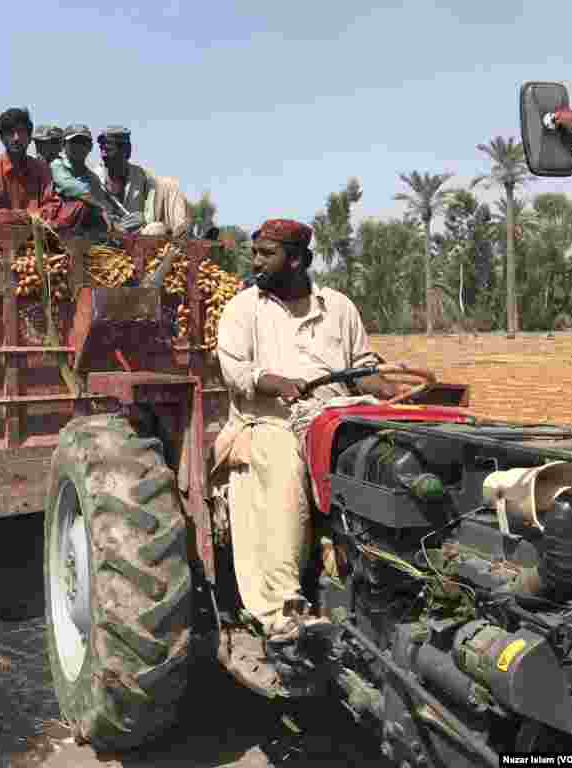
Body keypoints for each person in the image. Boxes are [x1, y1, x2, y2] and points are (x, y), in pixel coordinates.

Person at [214, 219, 399, 685]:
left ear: (296, 259)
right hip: (266, 421)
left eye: (265, 253)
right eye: (254, 252)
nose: (254, 261)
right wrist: (278, 383)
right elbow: (237, 374)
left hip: (335, 414)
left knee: (393, 454)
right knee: (285, 466)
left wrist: (394, 394)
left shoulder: (337, 307)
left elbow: (361, 369)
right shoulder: (242, 310)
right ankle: (283, 610)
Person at [91, 126, 190, 237]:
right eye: (102, 149)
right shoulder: (94, 178)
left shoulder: (141, 176)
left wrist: (144, 218)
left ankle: (181, 236)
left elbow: (154, 209)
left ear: (126, 151)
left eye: (109, 149)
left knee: (156, 228)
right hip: (105, 235)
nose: (104, 155)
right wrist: (112, 224)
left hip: (137, 236)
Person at [43, 124, 114, 239]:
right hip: (56, 227)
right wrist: (100, 207)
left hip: (83, 230)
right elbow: (72, 188)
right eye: (74, 142)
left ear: (90, 147)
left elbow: (101, 202)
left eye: (83, 143)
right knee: (81, 205)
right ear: (63, 145)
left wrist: (104, 211)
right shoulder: (56, 166)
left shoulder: (93, 178)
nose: (78, 147)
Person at [0, 108, 56, 225]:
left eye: (21, 132)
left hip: (38, 235)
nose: (16, 138)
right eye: (10, 133)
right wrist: (30, 215)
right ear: (2, 138)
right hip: (1, 238)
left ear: (29, 138)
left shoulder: (42, 169)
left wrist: (17, 216)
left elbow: (50, 206)